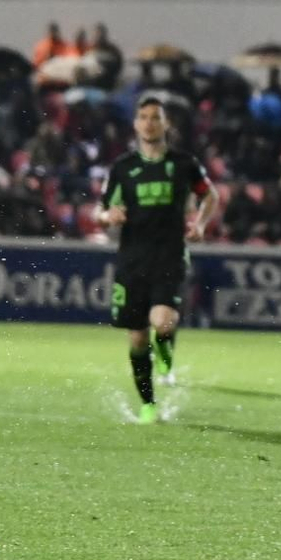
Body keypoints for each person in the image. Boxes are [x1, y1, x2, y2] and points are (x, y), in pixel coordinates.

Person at [97, 96, 218, 422]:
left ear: (166, 125)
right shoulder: (122, 168)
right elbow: (101, 209)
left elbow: (210, 195)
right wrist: (109, 215)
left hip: (169, 255)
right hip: (132, 260)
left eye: (156, 117)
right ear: (136, 125)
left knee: (163, 321)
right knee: (137, 338)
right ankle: (149, 403)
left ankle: (165, 352)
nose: (149, 122)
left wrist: (201, 223)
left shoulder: (183, 164)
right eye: (144, 117)